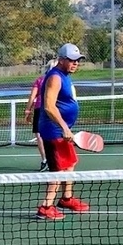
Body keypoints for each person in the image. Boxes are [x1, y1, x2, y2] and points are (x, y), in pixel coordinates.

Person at [36, 43, 91, 221]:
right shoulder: (55, 77)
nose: (76, 63)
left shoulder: (65, 75)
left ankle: (66, 198)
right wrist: (64, 127)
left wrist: (67, 127)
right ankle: (46, 207)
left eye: (78, 61)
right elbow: (49, 107)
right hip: (54, 132)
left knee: (70, 163)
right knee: (58, 171)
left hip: (62, 131)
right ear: (61, 60)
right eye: (72, 60)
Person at [25, 61, 56, 172]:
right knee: (54, 134)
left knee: (39, 135)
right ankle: (52, 159)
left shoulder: (40, 80)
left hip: (41, 109)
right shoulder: (59, 79)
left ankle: (45, 160)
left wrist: (28, 110)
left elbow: (32, 96)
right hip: (52, 109)